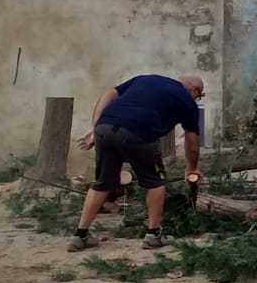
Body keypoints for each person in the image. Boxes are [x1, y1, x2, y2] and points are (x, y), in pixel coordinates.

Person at [69, 73, 204, 252]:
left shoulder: (146, 79)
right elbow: (192, 142)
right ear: (194, 90)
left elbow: (109, 94)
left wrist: (94, 126)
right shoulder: (187, 102)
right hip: (138, 133)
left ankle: (80, 235)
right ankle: (153, 234)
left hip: (104, 128)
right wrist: (191, 169)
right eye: (199, 95)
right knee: (155, 181)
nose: (197, 98)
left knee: (101, 183)